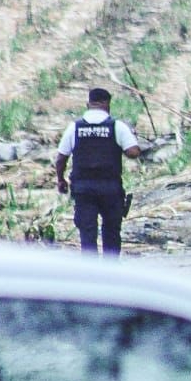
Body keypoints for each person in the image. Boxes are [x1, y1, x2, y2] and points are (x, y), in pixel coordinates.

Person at [54, 87, 141, 257]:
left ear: (88, 104)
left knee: (87, 234)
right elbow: (133, 153)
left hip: (83, 189)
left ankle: (91, 276)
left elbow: (60, 158)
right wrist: (130, 137)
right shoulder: (117, 126)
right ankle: (111, 274)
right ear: (107, 104)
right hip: (111, 189)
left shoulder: (75, 127)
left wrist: (60, 180)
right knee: (111, 232)